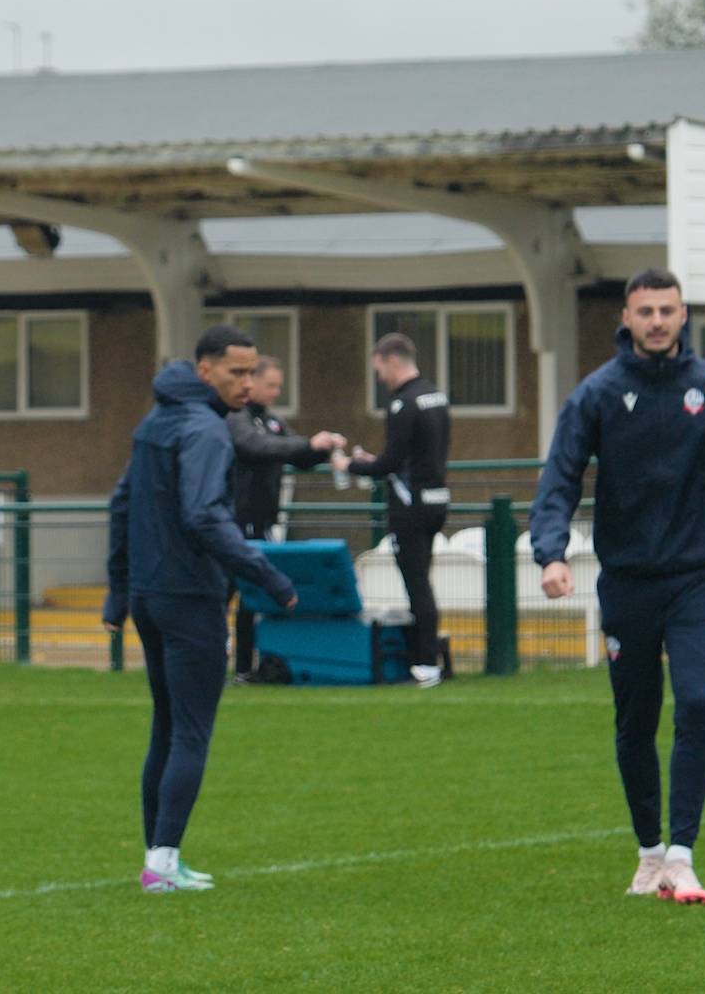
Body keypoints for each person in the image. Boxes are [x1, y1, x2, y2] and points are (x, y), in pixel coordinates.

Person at [530, 267, 705, 906]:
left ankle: (683, 856)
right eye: (645, 311)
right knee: (636, 720)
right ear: (626, 319)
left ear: (683, 314)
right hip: (627, 581)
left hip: (695, 580)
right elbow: (559, 479)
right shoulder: (598, 395)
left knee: (696, 702)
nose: (656, 321)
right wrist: (551, 553)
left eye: (667, 309)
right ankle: (649, 854)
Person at [103, 325, 298, 893]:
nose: (248, 382)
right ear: (205, 369)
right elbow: (205, 516)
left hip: (149, 596)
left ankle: (158, 857)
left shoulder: (154, 421)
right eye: (237, 372)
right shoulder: (206, 430)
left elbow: (120, 505)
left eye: (252, 371)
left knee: (166, 727)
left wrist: (119, 590)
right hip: (190, 597)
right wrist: (267, 574)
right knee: (190, 731)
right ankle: (162, 863)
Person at [332, 333, 452, 688]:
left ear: (392, 360)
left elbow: (388, 464)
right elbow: (410, 457)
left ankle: (426, 665)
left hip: (410, 507)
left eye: (379, 369)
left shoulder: (403, 404)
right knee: (422, 580)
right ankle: (425, 659)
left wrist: (349, 466)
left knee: (416, 584)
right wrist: (379, 462)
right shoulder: (436, 396)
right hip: (436, 499)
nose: (380, 378)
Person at [227, 355, 343, 679]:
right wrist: (306, 443)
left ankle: (246, 668)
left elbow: (296, 453)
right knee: (221, 595)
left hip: (261, 525)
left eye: (279, 385)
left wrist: (322, 448)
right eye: (271, 385)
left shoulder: (273, 422)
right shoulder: (237, 418)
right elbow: (256, 447)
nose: (276, 392)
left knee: (254, 597)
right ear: (252, 384)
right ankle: (212, 664)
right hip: (233, 524)